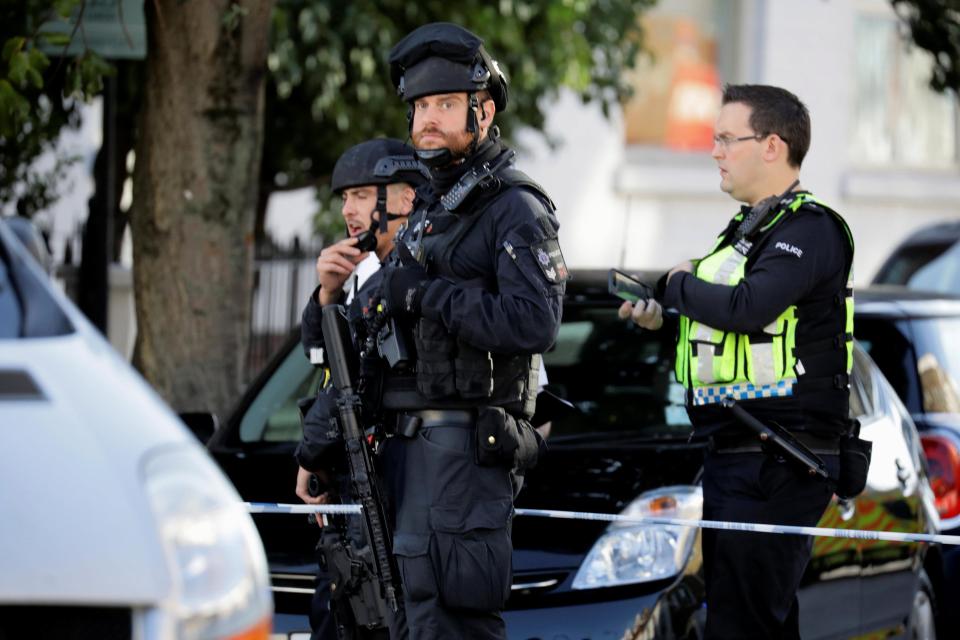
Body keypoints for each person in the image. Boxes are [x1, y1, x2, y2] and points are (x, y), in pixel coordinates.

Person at [619, 84, 854, 638]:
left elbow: (749, 308)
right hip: (739, 452)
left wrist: (677, 285)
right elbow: (729, 326)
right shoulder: (750, 229)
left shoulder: (812, 228)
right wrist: (664, 311)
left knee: (745, 625)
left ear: (772, 146)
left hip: (783, 458)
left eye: (727, 138)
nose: (716, 152)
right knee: (748, 620)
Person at [357, 22, 567, 639]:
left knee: (447, 623)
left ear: (484, 110)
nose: (427, 119)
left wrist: (428, 294)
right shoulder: (431, 207)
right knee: (407, 618)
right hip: (404, 450)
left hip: (461, 454)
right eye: (420, 106)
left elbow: (536, 320)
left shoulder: (515, 207)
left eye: (446, 105)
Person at [293, 137, 427, 640]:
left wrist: (310, 454)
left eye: (360, 195)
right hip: (351, 476)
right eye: (344, 197)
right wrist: (326, 295)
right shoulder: (361, 271)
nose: (348, 209)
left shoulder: (405, 275)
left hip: (388, 484)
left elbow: (359, 381)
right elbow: (321, 360)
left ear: (403, 199)